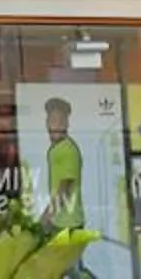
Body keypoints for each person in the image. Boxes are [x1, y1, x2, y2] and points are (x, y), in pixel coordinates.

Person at [43, 99, 86, 231]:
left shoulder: (68, 150)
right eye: (52, 120)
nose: (55, 125)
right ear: (47, 122)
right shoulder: (56, 148)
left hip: (68, 224)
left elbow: (65, 187)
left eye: (60, 121)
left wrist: (46, 218)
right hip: (60, 222)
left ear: (66, 123)